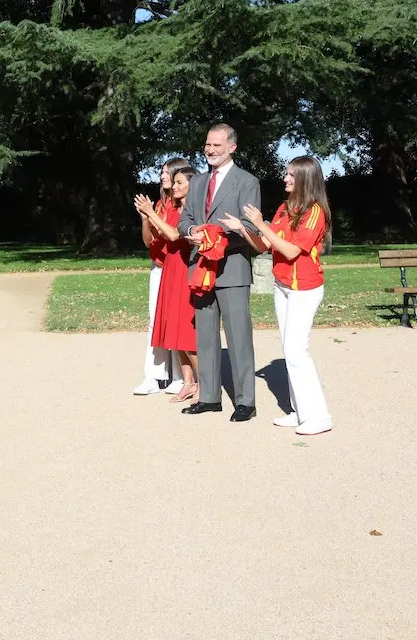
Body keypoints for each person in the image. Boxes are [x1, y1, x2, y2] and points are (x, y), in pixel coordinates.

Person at [221, 156, 333, 435]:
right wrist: (243, 229)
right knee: (290, 349)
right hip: (282, 285)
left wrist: (261, 223)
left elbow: (293, 251)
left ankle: (319, 417)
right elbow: (265, 246)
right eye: (287, 174)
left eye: (292, 175)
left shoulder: (315, 211)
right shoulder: (285, 208)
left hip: (304, 288)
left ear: (305, 179)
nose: (286, 178)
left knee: (297, 351)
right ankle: (300, 412)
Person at [177, 123, 261, 422]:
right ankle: (210, 397)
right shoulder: (197, 182)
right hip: (201, 268)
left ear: (232, 147)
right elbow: (184, 220)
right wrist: (191, 231)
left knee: (239, 336)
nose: (210, 150)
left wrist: (215, 235)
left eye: (217, 145)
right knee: (205, 336)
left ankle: (245, 402)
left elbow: (250, 228)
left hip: (232, 269)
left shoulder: (247, 182)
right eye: (208, 145)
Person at [135, 165, 201, 403]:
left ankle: (205, 384)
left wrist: (150, 213)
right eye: (174, 183)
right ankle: (188, 382)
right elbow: (154, 239)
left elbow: (175, 235)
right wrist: (148, 217)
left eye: (179, 183)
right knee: (173, 327)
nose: (173, 187)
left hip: (185, 270)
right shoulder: (173, 208)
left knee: (185, 330)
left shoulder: (193, 211)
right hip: (170, 270)